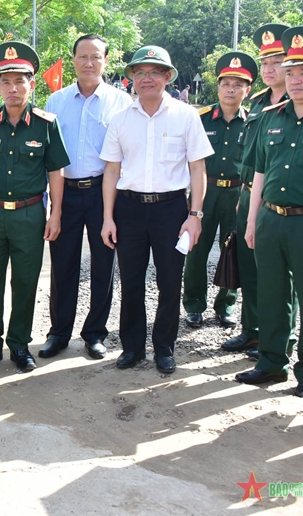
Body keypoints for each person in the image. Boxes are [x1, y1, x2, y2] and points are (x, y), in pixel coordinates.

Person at [236, 26, 303, 403]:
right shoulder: (271, 116)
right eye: (291, 71)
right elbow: (259, 173)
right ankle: (270, 362)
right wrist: (251, 221)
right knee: (271, 293)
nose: (295, 79)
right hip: (270, 219)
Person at [100, 45, 213, 374]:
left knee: (169, 281)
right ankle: (132, 348)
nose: (146, 78)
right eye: (139, 72)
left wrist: (195, 216)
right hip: (130, 209)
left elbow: (197, 169)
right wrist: (108, 217)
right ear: (131, 78)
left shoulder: (185, 115)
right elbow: (111, 171)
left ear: (167, 76)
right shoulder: (120, 120)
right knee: (131, 282)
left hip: (171, 210)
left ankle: (164, 347)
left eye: (154, 72)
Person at [0, 42, 70, 372]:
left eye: (19, 81)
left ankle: (19, 345)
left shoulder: (45, 124)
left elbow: (56, 171)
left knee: (25, 282)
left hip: (29, 214)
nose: (12, 88)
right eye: (6, 82)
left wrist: (55, 212)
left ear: (32, 84)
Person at [41, 34, 132, 360]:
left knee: (103, 265)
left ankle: (95, 333)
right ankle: (59, 333)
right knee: (62, 266)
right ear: (74, 60)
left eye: (96, 57)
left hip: (103, 195)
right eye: (83, 56)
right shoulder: (56, 102)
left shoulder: (121, 103)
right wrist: (51, 204)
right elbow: (49, 158)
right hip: (65, 193)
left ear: (106, 61)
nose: (89, 63)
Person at [223, 24, 291, 359]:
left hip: (279, 202)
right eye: (264, 62)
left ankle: (281, 340)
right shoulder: (259, 103)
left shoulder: (298, 102)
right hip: (249, 195)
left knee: (279, 277)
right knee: (248, 266)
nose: (268, 69)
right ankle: (251, 331)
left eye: (276, 61)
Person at [182, 52, 257, 329]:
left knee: (233, 251)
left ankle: (225, 305)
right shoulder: (201, 119)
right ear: (218, 86)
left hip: (238, 195)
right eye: (226, 83)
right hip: (206, 192)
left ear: (247, 91)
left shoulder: (253, 122)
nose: (231, 89)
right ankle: (193, 305)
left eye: (238, 85)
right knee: (196, 249)